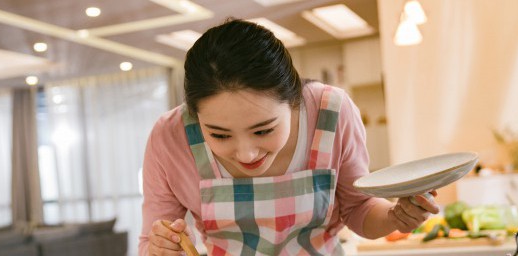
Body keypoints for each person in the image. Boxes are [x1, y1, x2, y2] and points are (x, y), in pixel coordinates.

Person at [139, 19, 439, 256]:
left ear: (295, 100)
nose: (246, 154)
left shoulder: (330, 112)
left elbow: (359, 210)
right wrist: (161, 247)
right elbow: (151, 241)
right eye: (219, 135)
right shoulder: (170, 137)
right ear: (194, 115)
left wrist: (396, 216)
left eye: (263, 130)